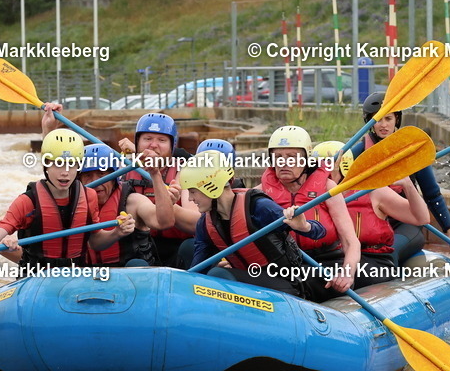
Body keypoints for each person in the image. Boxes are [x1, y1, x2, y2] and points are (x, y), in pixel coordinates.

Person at [0, 121, 134, 270]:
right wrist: (5, 244)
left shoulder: (89, 196)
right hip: (37, 276)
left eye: (71, 164)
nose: (65, 172)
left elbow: (95, 242)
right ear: (46, 164)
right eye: (58, 164)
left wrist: (117, 232)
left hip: (76, 274)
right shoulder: (27, 201)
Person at [181, 151, 331, 300]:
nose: (190, 198)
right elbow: (197, 270)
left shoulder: (257, 207)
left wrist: (304, 226)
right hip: (250, 283)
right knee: (197, 259)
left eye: (193, 192)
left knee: (219, 275)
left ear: (210, 186)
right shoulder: (205, 224)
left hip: (284, 286)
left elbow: (320, 232)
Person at [352, 91, 450, 262]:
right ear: (370, 123)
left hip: (405, 224)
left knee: (387, 252)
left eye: (388, 119)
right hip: (372, 222)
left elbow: (432, 195)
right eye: (377, 120)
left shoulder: (411, 153)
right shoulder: (358, 152)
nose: (383, 125)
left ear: (396, 120)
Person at [256, 126, 359, 295]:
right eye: (278, 157)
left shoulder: (328, 188)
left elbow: (351, 241)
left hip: (325, 264)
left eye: (291, 157)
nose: (283, 163)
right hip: (285, 266)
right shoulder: (260, 193)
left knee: (297, 285)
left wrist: (346, 273)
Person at [313, 141, 430, 287]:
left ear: (343, 168)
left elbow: (422, 218)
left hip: (374, 261)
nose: (318, 175)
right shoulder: (311, 196)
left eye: (324, 168)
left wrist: (407, 185)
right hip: (334, 258)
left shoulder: (373, 191)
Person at [115, 113, 199, 268]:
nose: (153, 145)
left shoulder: (185, 171)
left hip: (177, 249)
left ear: (172, 145)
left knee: (190, 246)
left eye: (161, 140)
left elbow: (197, 223)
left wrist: (168, 206)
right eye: (147, 139)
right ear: (137, 142)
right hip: (137, 247)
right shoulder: (122, 169)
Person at [78, 142, 174, 267]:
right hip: (88, 275)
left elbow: (164, 222)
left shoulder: (133, 202)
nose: (95, 182)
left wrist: (155, 174)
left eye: (102, 174)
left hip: (130, 276)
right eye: (88, 176)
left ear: (114, 177)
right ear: (79, 180)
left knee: (137, 264)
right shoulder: (74, 204)